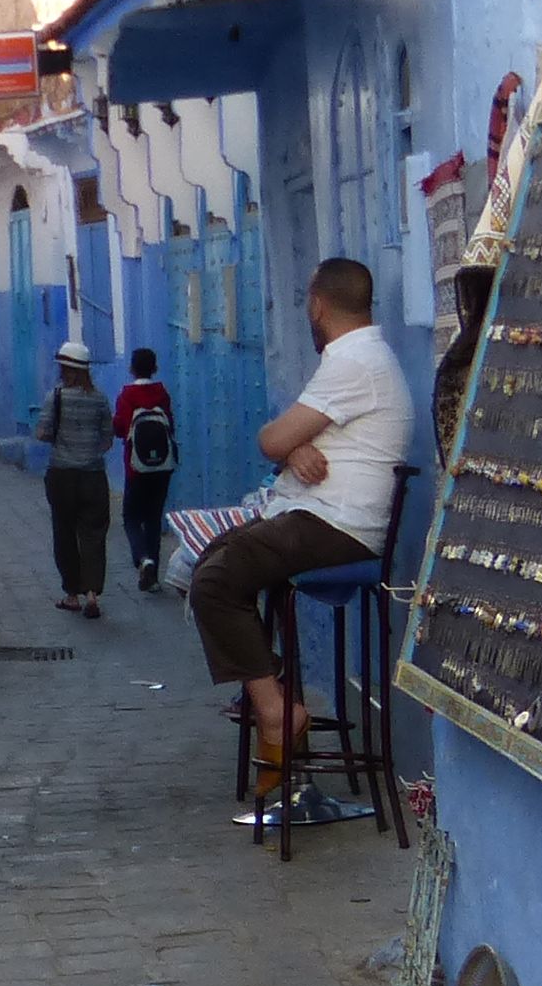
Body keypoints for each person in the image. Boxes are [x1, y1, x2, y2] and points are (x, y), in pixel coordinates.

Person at [185, 257, 415, 827]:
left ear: (317, 306)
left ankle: (274, 710)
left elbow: (270, 437)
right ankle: (273, 685)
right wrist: (293, 450)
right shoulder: (363, 358)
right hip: (321, 517)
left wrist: (286, 447)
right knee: (216, 557)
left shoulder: (354, 361)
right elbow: (284, 443)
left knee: (214, 581)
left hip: (336, 526)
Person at [34, 340, 116, 617]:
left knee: (65, 532)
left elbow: (43, 433)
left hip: (62, 475)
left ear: (64, 368)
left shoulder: (55, 397)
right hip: (93, 476)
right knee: (94, 534)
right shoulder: (100, 398)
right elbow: (108, 439)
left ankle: (72, 594)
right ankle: (93, 593)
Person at [111, 346, 179, 592]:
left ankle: (142, 558)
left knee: (130, 516)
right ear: (155, 368)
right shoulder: (161, 393)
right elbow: (170, 424)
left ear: (131, 368)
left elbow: (120, 427)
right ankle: (152, 579)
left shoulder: (127, 395)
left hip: (136, 467)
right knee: (153, 517)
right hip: (162, 467)